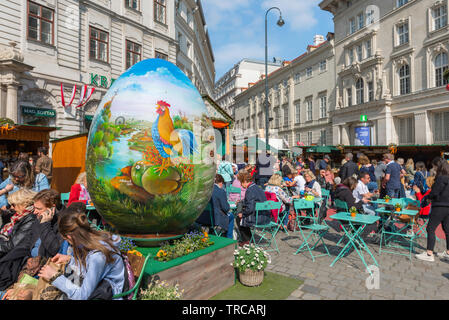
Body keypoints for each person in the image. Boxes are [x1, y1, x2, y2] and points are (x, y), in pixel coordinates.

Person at [37, 206, 126, 299]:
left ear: (69, 237)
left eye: (66, 240)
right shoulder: (95, 239)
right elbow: (87, 269)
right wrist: (70, 259)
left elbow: (82, 296)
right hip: (100, 288)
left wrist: (55, 277)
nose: (69, 244)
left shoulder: (97, 256)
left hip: (110, 295)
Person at [415, 162, 449, 262]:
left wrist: (427, 199)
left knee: (430, 228)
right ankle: (448, 252)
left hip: (440, 206)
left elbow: (434, 192)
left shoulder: (441, 178)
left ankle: (429, 253)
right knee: (447, 229)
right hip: (448, 207)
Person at [0, 189, 37, 258]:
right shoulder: (19, 215)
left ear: (24, 204)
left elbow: (12, 245)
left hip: (10, 255)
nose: (12, 208)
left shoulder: (30, 219)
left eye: (13, 205)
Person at [30, 189, 67, 259]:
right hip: (31, 260)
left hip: (46, 262)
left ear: (52, 208)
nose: (34, 212)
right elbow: (28, 242)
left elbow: (54, 249)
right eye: (34, 208)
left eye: (39, 208)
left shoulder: (64, 222)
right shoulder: (39, 218)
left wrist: (45, 224)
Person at [237, 171, 271, 246]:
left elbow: (250, 208)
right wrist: (243, 202)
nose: (241, 185)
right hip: (266, 216)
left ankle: (247, 240)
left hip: (258, 218)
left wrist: (242, 214)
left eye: (241, 182)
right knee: (242, 215)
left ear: (245, 181)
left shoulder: (249, 190)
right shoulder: (258, 187)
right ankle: (248, 239)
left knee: (239, 218)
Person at [207, 174, 234, 239]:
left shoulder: (206, 191)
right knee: (231, 216)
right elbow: (226, 208)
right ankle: (229, 238)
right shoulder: (220, 191)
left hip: (205, 217)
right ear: (221, 183)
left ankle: (212, 232)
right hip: (216, 218)